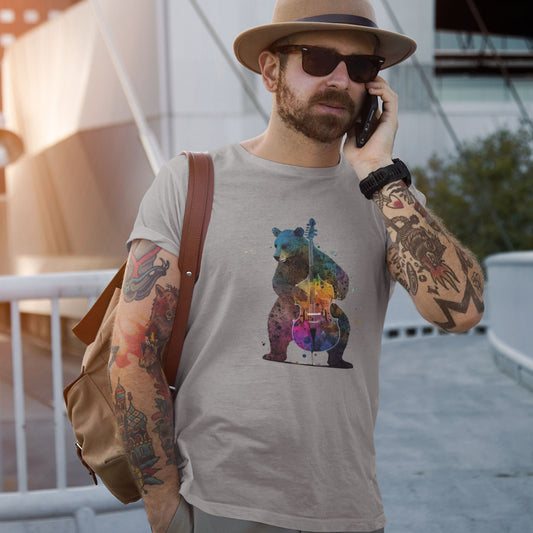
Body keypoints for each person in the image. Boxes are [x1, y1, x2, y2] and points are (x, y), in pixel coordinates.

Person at [109, 1, 485, 532]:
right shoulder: (191, 182)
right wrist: (165, 508)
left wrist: (378, 171)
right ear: (270, 69)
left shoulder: (385, 196)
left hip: (348, 508)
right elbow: (130, 353)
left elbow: (460, 312)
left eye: (360, 68)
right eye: (318, 58)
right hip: (221, 505)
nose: (339, 80)